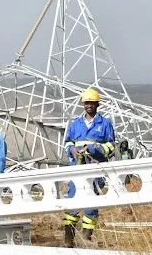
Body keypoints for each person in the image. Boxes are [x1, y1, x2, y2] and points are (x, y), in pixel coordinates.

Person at [62, 88, 116, 248]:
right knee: (72, 202)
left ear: (97, 104)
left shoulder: (105, 124)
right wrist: (72, 149)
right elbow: (68, 142)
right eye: (86, 103)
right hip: (77, 170)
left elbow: (111, 146)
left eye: (92, 103)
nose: (89, 105)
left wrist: (94, 150)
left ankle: (86, 239)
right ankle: (68, 241)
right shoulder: (76, 124)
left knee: (92, 206)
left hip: (95, 170)